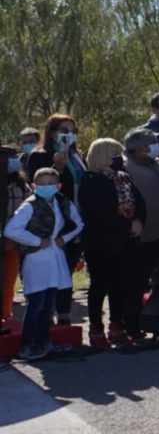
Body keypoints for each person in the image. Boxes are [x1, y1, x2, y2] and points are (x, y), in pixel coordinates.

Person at [5, 167, 84, 361]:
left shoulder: (62, 202)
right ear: (34, 186)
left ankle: (44, 340)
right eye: (41, 184)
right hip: (36, 258)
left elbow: (79, 223)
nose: (46, 187)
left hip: (54, 257)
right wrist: (37, 241)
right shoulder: (29, 205)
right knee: (36, 303)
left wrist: (64, 238)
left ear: (58, 186)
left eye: (50, 184)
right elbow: (11, 230)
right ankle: (27, 343)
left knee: (49, 303)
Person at [78, 138, 146, 347]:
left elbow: (139, 201)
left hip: (126, 240)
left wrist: (138, 221)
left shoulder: (124, 177)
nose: (121, 158)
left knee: (120, 285)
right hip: (101, 242)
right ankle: (96, 328)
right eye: (116, 154)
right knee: (100, 285)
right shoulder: (90, 180)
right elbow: (97, 212)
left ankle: (117, 325)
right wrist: (126, 225)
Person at [26, 113, 86, 325]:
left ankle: (64, 317)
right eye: (64, 131)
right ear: (52, 132)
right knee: (54, 273)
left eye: (73, 131)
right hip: (54, 224)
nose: (69, 135)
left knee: (67, 271)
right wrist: (57, 169)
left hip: (75, 222)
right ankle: (44, 321)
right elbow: (42, 189)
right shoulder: (39, 155)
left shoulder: (76, 156)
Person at [122, 127, 159, 337]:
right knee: (137, 282)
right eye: (152, 142)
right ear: (139, 147)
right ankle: (132, 327)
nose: (156, 145)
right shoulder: (126, 168)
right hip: (143, 237)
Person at [2, 146, 27, 322]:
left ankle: (5, 313)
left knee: (8, 281)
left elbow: (28, 211)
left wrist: (13, 236)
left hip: (14, 241)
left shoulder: (21, 185)